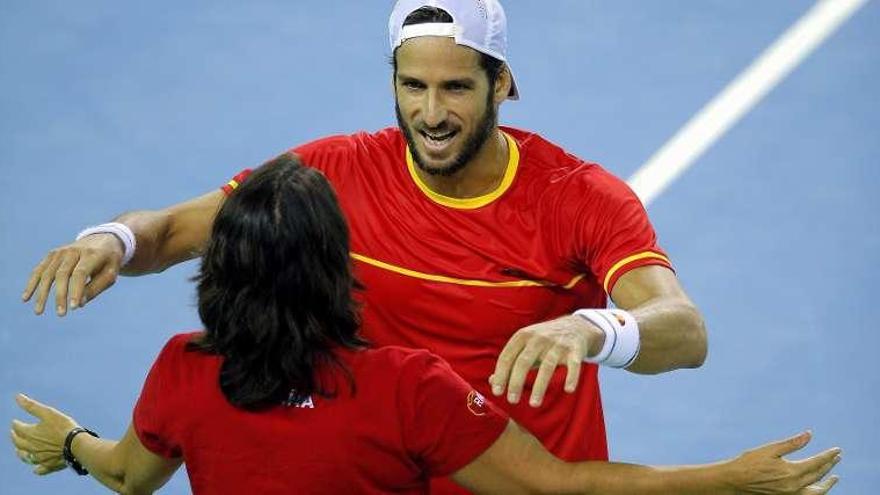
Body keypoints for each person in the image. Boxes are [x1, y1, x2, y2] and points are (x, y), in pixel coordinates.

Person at [24, 1, 708, 492]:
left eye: (455, 88)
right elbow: (174, 230)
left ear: (502, 82)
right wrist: (113, 239)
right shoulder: (333, 173)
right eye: (413, 86)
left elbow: (683, 330)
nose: (431, 113)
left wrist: (589, 327)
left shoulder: (579, 196)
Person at [11, 156, 841, 494]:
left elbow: (127, 472)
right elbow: (563, 485)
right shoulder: (404, 386)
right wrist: (723, 478)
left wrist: (69, 443)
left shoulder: (179, 372)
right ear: (335, 266)